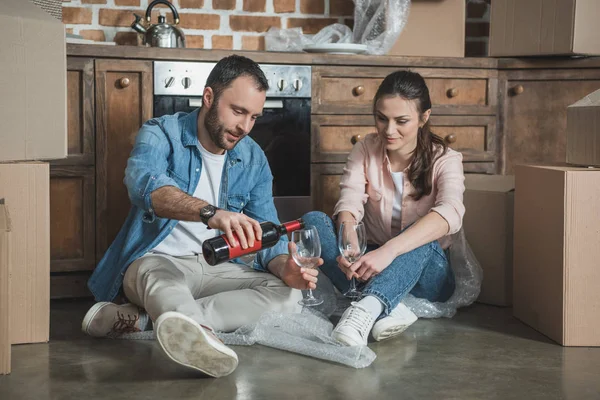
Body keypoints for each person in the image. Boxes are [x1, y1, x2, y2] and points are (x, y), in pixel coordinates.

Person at [81, 55, 320, 377]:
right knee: (164, 285)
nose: (245, 127)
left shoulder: (253, 157)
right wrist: (211, 214)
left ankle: (147, 321)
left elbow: (265, 231)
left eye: (254, 117)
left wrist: (284, 268)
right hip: (156, 261)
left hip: (217, 267)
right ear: (209, 97)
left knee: (288, 296)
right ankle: (200, 335)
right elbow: (144, 186)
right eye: (237, 111)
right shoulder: (160, 133)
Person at [302, 70, 465, 346]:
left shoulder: (446, 159)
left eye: (401, 121)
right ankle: (388, 306)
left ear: (424, 117)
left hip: (428, 275)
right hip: (371, 264)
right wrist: (349, 248)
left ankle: (365, 310)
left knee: (422, 232)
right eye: (381, 118)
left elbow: (451, 212)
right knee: (314, 219)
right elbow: (349, 204)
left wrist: (388, 252)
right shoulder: (365, 149)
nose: (389, 131)